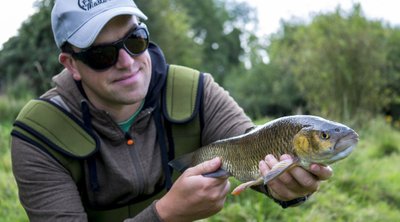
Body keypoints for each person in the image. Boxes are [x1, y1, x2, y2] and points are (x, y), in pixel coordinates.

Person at [11, 0, 332, 221]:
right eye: (102, 55)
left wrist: (285, 186)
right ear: (71, 65)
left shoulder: (196, 90)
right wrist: (164, 215)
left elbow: (252, 146)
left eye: (135, 40)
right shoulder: (38, 133)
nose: (127, 62)